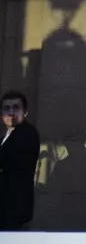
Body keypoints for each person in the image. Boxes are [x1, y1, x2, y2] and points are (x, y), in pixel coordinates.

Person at [0, 91, 37, 230]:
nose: (11, 112)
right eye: (6, 108)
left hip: (13, 205)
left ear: (25, 111)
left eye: (16, 107)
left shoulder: (27, 133)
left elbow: (8, 161)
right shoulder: (7, 136)